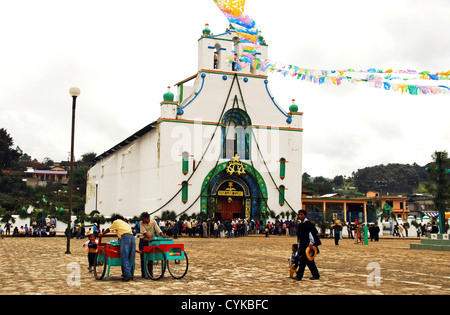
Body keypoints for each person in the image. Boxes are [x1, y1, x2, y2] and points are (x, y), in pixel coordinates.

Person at [100, 215, 135, 282]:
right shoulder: (125, 223)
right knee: (130, 257)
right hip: (132, 237)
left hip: (125, 238)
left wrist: (102, 234)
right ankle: (127, 273)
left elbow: (108, 230)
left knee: (124, 256)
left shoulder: (116, 222)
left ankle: (127, 274)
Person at [138, 212, 167, 278]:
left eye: (143, 219)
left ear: (147, 218)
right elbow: (144, 232)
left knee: (150, 258)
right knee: (143, 258)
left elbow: (158, 230)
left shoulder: (153, 222)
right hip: (143, 241)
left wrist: (162, 235)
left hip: (150, 242)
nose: (142, 220)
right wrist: (149, 237)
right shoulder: (141, 223)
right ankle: (144, 274)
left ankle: (150, 273)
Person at [295, 210, 321, 281]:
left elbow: (311, 234)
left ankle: (299, 276)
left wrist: (311, 243)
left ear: (305, 215)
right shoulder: (301, 224)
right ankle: (316, 275)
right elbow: (300, 237)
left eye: (302, 214)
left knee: (303, 261)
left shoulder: (308, 224)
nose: (300, 216)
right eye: (299, 214)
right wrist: (299, 245)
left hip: (308, 245)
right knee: (310, 261)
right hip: (302, 245)